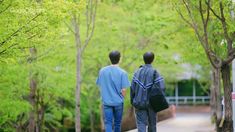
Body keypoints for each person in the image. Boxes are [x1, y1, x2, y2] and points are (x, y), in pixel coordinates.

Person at [130, 52, 165, 132]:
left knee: (141, 124)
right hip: (152, 104)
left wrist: (133, 101)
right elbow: (161, 88)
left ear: (143, 59)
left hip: (139, 103)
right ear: (153, 60)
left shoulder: (137, 73)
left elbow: (132, 88)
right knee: (152, 125)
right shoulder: (155, 73)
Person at [96, 50, 130, 132]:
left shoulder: (102, 71)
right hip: (118, 102)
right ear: (120, 59)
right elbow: (124, 90)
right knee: (117, 123)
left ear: (109, 58)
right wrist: (122, 97)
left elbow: (100, 85)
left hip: (107, 102)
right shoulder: (123, 73)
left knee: (108, 123)